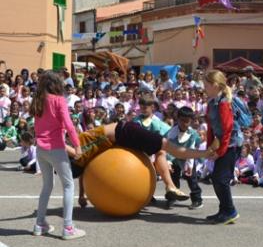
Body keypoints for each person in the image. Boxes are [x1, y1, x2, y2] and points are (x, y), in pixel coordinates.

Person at [65, 120, 217, 206]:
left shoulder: (79, 154)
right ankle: (172, 184)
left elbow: (82, 170)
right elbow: (84, 170)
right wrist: (82, 195)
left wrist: (82, 196)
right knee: (165, 149)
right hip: (125, 134)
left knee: (166, 149)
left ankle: (201, 156)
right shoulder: (80, 155)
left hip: (125, 134)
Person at [31, 70, 85, 240]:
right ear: (56, 84)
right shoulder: (59, 100)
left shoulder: (38, 100)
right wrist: (77, 146)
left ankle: (40, 224)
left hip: (41, 149)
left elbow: (38, 126)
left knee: (47, 186)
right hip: (56, 148)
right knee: (68, 185)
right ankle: (68, 227)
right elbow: (69, 125)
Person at [203, 69, 242, 225]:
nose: (204, 88)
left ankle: (230, 211)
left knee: (221, 179)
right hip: (222, 144)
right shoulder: (212, 101)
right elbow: (211, 127)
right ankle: (224, 210)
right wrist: (209, 147)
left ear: (215, 85)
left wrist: (220, 151)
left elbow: (227, 129)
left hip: (231, 144)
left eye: (206, 85)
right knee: (217, 178)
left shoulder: (224, 102)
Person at [166, 106, 203, 210]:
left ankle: (197, 199)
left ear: (191, 121)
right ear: (177, 119)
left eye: (187, 121)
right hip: (174, 158)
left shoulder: (193, 134)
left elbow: (192, 149)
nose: (184, 123)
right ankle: (172, 197)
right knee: (173, 178)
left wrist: (189, 165)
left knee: (192, 179)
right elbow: (168, 148)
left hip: (188, 157)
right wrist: (168, 162)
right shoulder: (171, 133)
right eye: (182, 120)